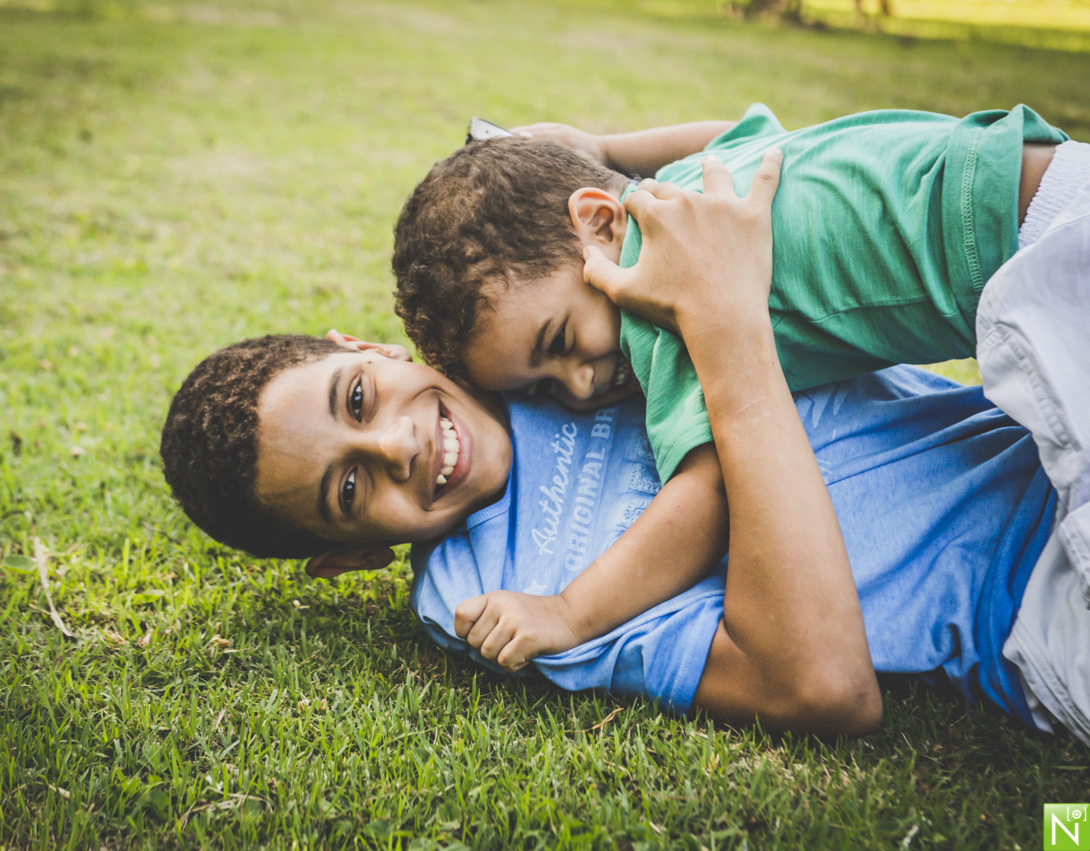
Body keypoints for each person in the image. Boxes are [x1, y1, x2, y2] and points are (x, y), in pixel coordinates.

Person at [390, 106, 1084, 664]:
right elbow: (737, 129)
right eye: (544, 389)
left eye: (561, 341)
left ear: (600, 222)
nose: (579, 384)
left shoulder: (664, 304)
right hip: (1045, 175)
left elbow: (708, 494)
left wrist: (569, 612)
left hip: (1042, 275)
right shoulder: (697, 184)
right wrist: (603, 147)